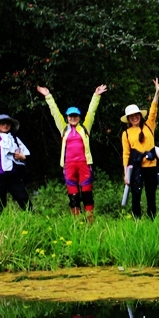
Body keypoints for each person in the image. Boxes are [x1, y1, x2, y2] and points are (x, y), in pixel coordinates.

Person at [37, 83, 107, 219]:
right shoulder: (64, 129)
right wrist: (48, 96)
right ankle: (76, 221)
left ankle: (89, 220)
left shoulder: (85, 128)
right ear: (67, 117)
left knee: (87, 194)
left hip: (84, 165)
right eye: (70, 116)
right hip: (69, 166)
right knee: (73, 196)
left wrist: (96, 95)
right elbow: (55, 113)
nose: (73, 118)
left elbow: (91, 112)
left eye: (75, 116)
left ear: (79, 117)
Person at [121, 79, 159, 220]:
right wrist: (126, 173)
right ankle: (136, 220)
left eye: (136, 115)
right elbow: (126, 154)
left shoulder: (149, 125)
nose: (134, 118)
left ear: (140, 115)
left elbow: (153, 110)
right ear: (128, 119)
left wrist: (157, 92)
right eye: (131, 116)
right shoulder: (126, 133)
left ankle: (152, 219)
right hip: (135, 167)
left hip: (151, 166)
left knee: (151, 194)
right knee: (136, 195)